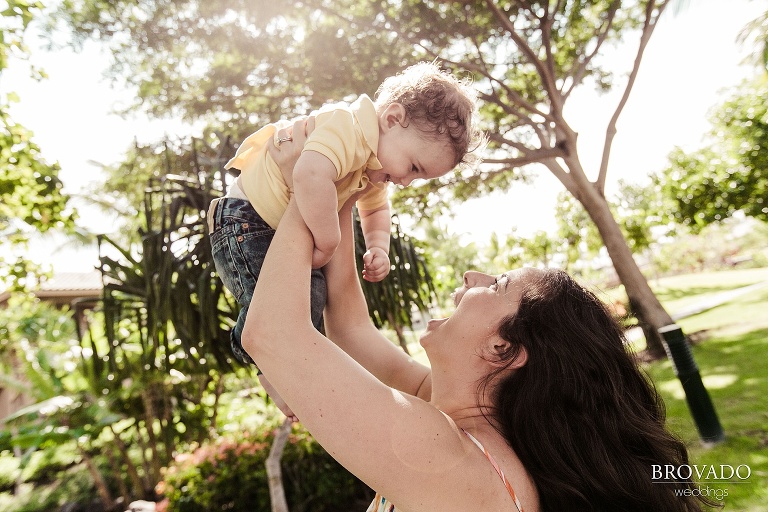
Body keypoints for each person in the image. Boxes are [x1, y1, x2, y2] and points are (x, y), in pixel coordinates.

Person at [239, 127, 717, 511]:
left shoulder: (454, 462)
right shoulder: (459, 419)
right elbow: (349, 327)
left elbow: (273, 335)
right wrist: (341, 184)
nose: (471, 276)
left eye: (497, 284)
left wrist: (305, 179)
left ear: (502, 349)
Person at [207, 62, 482, 412]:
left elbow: (376, 211)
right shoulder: (346, 127)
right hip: (246, 220)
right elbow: (309, 173)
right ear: (393, 119)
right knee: (290, 304)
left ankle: (274, 365)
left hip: (269, 227)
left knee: (311, 297)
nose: (405, 181)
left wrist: (379, 247)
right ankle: (260, 356)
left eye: (418, 177)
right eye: (414, 167)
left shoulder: (372, 165)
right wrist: (328, 240)